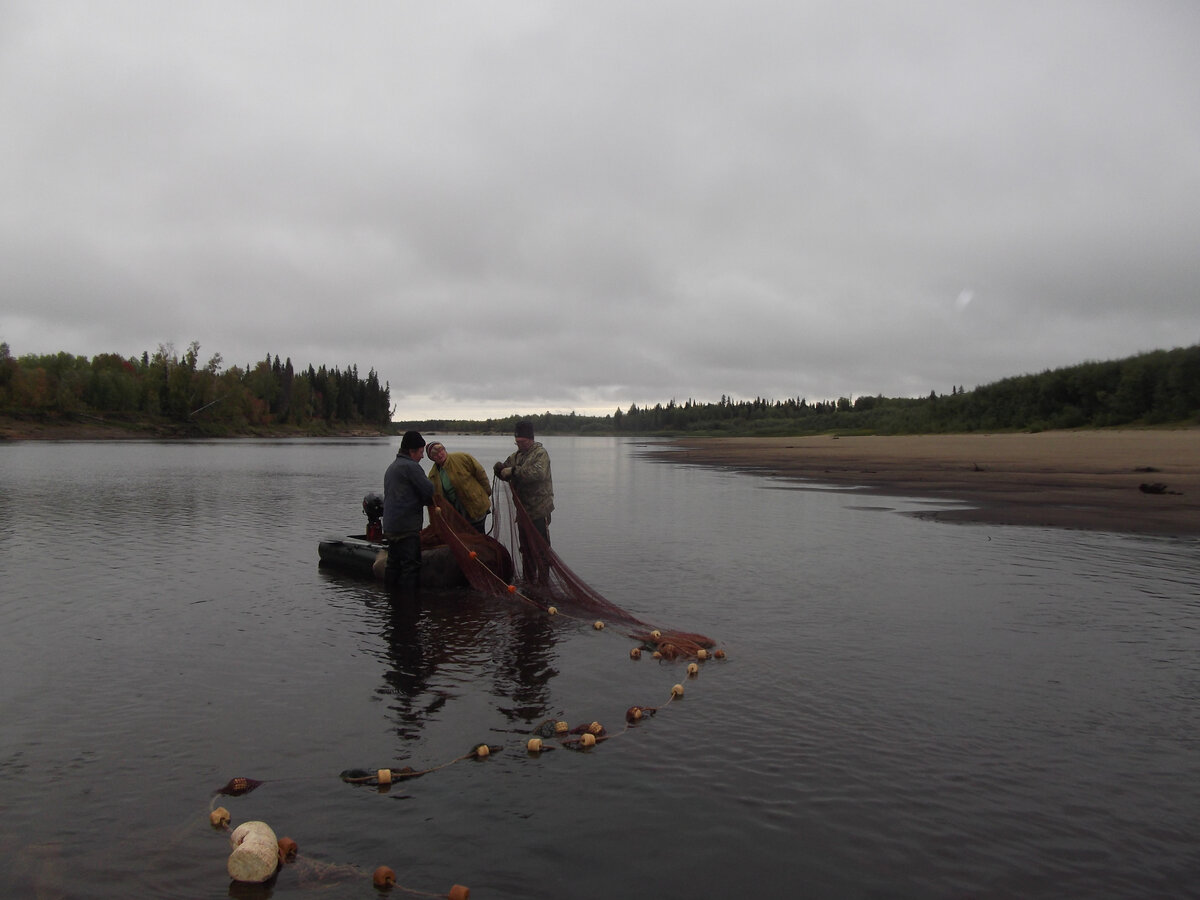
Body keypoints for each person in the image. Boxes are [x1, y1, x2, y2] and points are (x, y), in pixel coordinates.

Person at [494, 421, 554, 579]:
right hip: (523, 512)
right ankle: (529, 580)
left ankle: (543, 581)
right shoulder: (516, 456)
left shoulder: (540, 453)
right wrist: (499, 469)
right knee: (526, 549)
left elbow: (537, 474)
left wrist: (512, 471)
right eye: (517, 442)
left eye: (522, 442)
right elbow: (505, 469)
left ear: (531, 439)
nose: (519, 445)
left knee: (541, 549)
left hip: (539, 511)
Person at [383, 430, 435, 591]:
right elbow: (429, 490)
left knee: (393, 564)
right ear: (412, 451)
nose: (422, 456)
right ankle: (408, 607)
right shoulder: (411, 467)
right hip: (406, 529)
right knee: (410, 567)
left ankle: (392, 600)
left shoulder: (393, 466)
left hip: (391, 527)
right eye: (420, 452)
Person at [425, 441, 492, 532]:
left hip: (475, 507)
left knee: (479, 537)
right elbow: (436, 500)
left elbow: (481, 474)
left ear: (445, 450)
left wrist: (485, 494)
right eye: (435, 454)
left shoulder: (462, 458)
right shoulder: (433, 476)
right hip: (457, 515)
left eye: (441, 450)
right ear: (431, 458)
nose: (439, 455)